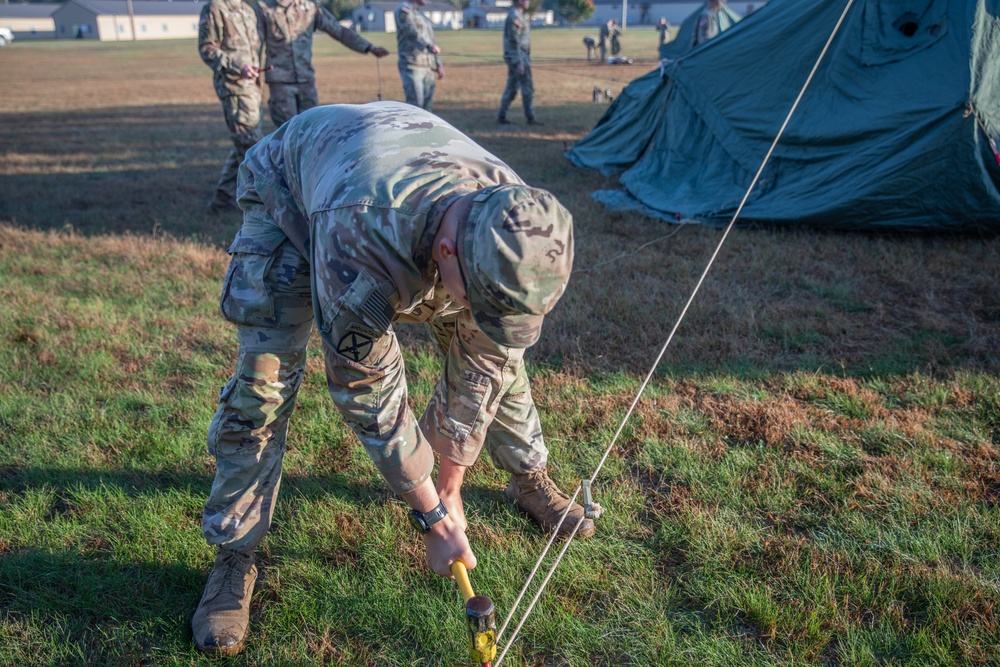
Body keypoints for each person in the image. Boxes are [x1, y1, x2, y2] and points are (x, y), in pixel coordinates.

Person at [190, 101, 595, 656]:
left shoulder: (516, 218)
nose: (480, 313)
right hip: (295, 197)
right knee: (262, 389)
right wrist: (430, 511)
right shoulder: (359, 242)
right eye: (477, 300)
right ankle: (234, 555)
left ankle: (529, 478)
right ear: (448, 254)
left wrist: (448, 486)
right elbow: (368, 393)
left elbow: (485, 362)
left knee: (499, 360)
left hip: (387, 179)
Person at [256, 0, 390, 127]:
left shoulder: (310, 7)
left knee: (312, 128)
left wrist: (368, 47)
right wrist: (252, 73)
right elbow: (256, 43)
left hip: (306, 80)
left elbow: (339, 31)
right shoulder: (264, 8)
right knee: (286, 131)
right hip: (280, 81)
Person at [198, 0, 265, 215]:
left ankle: (222, 201)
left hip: (252, 89)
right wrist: (238, 66)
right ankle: (261, 207)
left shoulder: (247, 10)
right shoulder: (215, 8)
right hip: (234, 89)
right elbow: (207, 48)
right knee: (250, 145)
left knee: (243, 146)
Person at [497, 0, 540, 125]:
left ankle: (502, 115)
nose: (529, 2)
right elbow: (513, 41)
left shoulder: (519, 15)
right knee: (527, 88)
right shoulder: (515, 17)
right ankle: (531, 118)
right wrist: (518, 62)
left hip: (519, 57)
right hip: (519, 58)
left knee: (512, 87)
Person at [395, 0, 443, 110]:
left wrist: (438, 64)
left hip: (427, 65)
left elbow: (432, 40)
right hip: (412, 64)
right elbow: (410, 32)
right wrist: (427, 46)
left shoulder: (420, 12)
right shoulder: (404, 10)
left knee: (427, 107)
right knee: (415, 106)